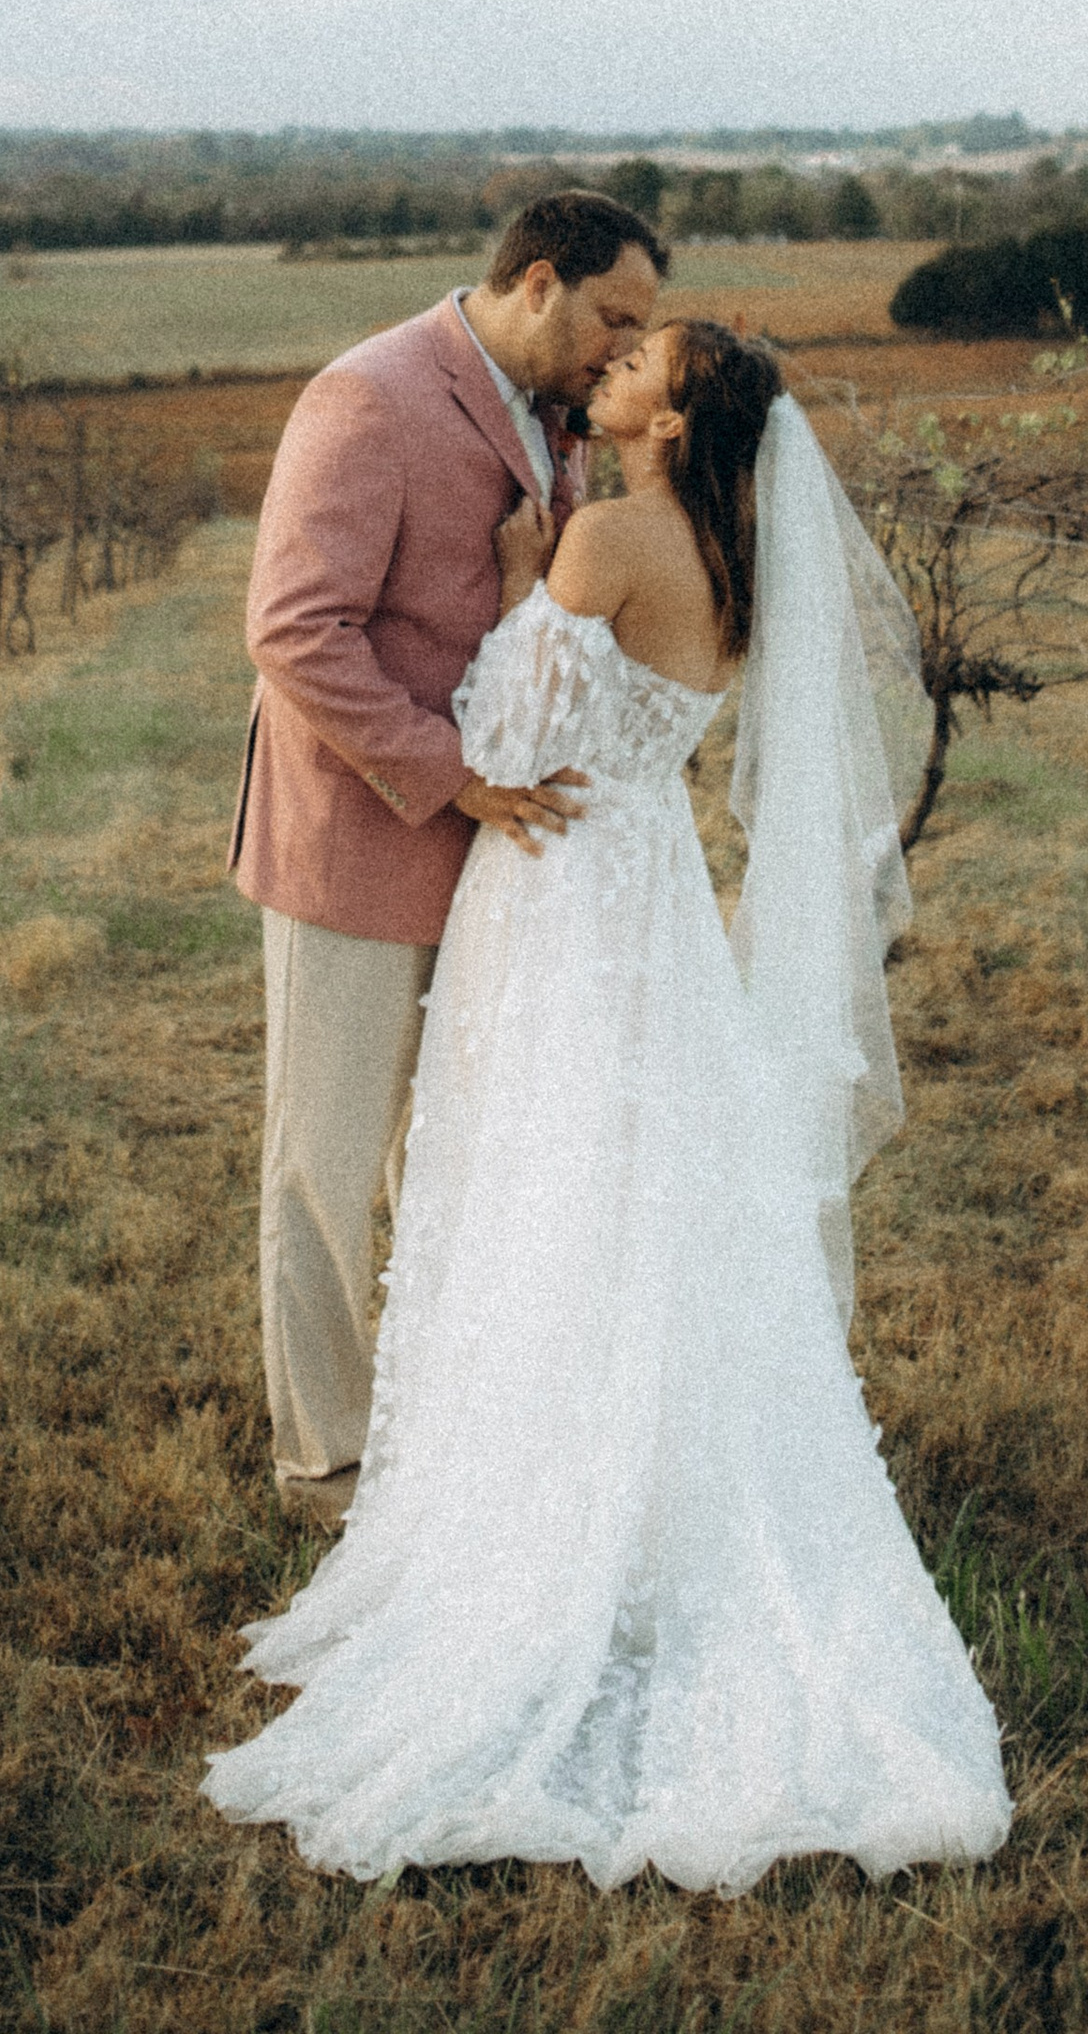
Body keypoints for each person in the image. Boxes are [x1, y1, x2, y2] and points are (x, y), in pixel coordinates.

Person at [204, 322, 1013, 1890]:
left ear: (677, 410)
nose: (620, 362)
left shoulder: (615, 538)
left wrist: (519, 582)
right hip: (650, 893)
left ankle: (539, 1499)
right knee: (648, 1183)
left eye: (644, 356)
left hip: (560, 899)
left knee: (546, 1181)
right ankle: (646, 1473)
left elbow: (511, 741)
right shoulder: (729, 553)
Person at [232, 190, 668, 1521]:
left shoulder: (561, 424)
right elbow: (297, 632)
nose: (623, 351)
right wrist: (453, 778)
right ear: (537, 282)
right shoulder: (369, 399)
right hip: (356, 844)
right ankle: (326, 1458)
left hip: (492, 867)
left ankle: (439, 1425)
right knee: (326, 1160)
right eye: (613, 318)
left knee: (452, 1156)